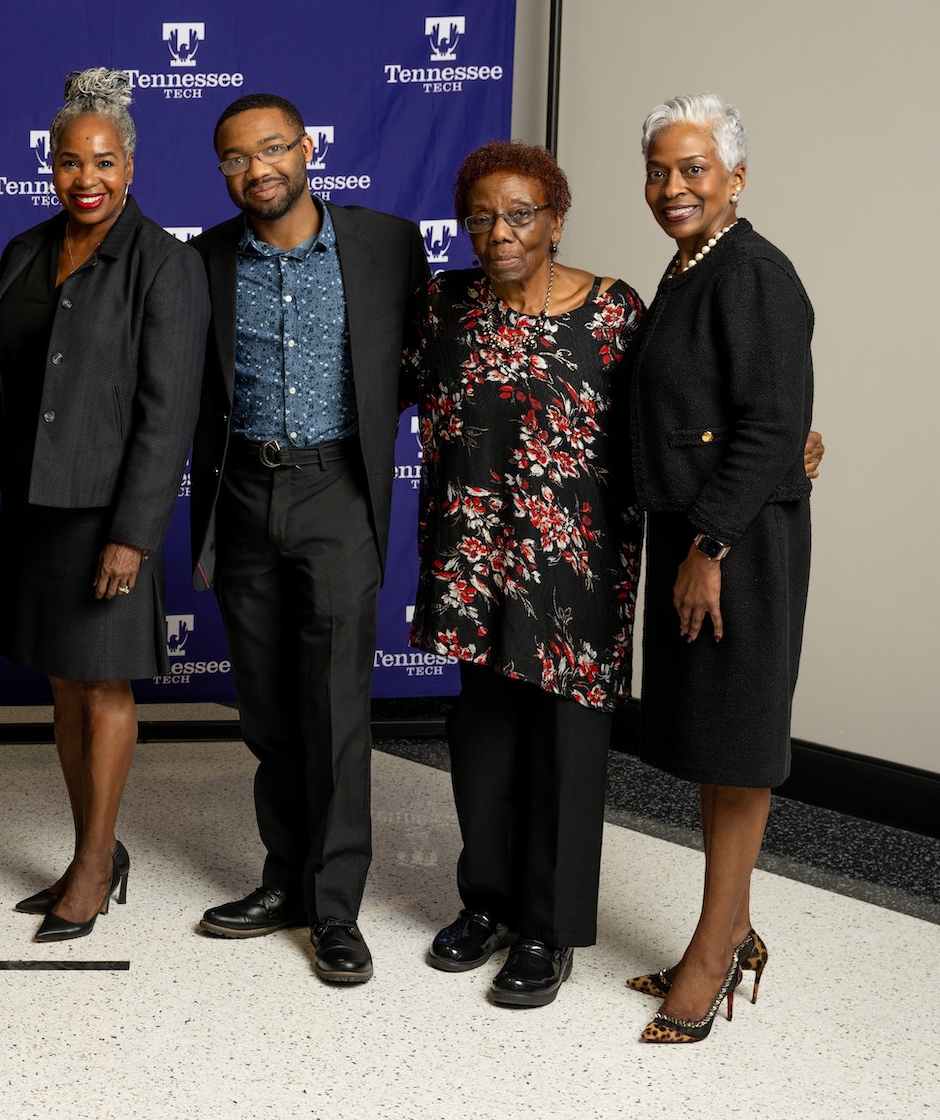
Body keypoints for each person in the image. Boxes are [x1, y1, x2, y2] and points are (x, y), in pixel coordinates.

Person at [186, 92, 429, 984]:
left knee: (335, 708)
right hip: (244, 489)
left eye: (275, 149)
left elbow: (431, 358)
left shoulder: (388, 244)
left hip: (337, 490)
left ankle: (334, 908)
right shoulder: (206, 258)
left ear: (308, 148)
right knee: (268, 708)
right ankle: (283, 878)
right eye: (238, 158)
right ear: (223, 170)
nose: (260, 169)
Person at [406, 142, 645, 1007]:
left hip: (577, 567)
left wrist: (782, 448)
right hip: (473, 559)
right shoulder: (443, 304)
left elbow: (678, 407)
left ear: (554, 216)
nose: (498, 233)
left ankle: (549, 928)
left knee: (565, 752)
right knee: (484, 743)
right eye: (480, 217)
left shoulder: (614, 310)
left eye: (519, 215)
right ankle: (489, 904)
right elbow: (377, 389)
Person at [0, 69, 208, 943]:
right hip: (36, 504)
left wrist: (133, 533)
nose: (87, 178)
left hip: (106, 514)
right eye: (69, 161)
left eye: (104, 162)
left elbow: (168, 410)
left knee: (104, 684)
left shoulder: (166, 263)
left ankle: (92, 860)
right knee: (63, 683)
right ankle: (91, 847)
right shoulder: (26, 250)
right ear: (49, 165)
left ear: (131, 164)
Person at [624, 94, 814, 1043]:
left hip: (734, 545)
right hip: (700, 533)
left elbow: (775, 422)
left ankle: (712, 953)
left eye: (694, 168)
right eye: (659, 169)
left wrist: (710, 547)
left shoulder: (754, 272)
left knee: (737, 749)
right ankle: (731, 927)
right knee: (710, 742)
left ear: (734, 179)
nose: (672, 186)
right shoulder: (690, 267)